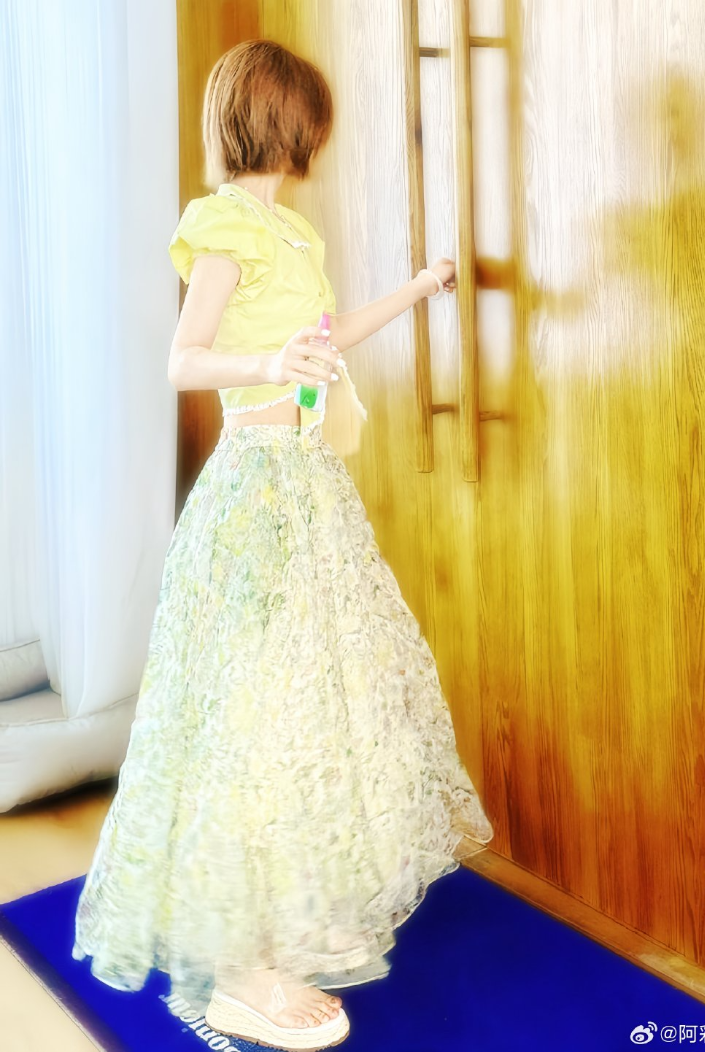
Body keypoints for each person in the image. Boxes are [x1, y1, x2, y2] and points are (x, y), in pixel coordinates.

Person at [71, 37, 494, 1052]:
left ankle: (279, 928)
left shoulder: (289, 231)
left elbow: (325, 340)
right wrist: (269, 362)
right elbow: (185, 360)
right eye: (308, 121)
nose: (314, 138)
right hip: (257, 487)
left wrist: (420, 287)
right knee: (254, 716)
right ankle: (240, 970)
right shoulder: (223, 223)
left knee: (309, 707)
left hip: (309, 488)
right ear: (281, 121)